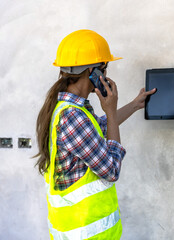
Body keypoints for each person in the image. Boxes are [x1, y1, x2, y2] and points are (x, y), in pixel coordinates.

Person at [34, 29, 155, 240]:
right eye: (104, 69)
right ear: (93, 71)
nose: (106, 76)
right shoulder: (73, 116)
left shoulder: (67, 108)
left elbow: (101, 126)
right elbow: (111, 169)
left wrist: (134, 105)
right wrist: (109, 109)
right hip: (86, 234)